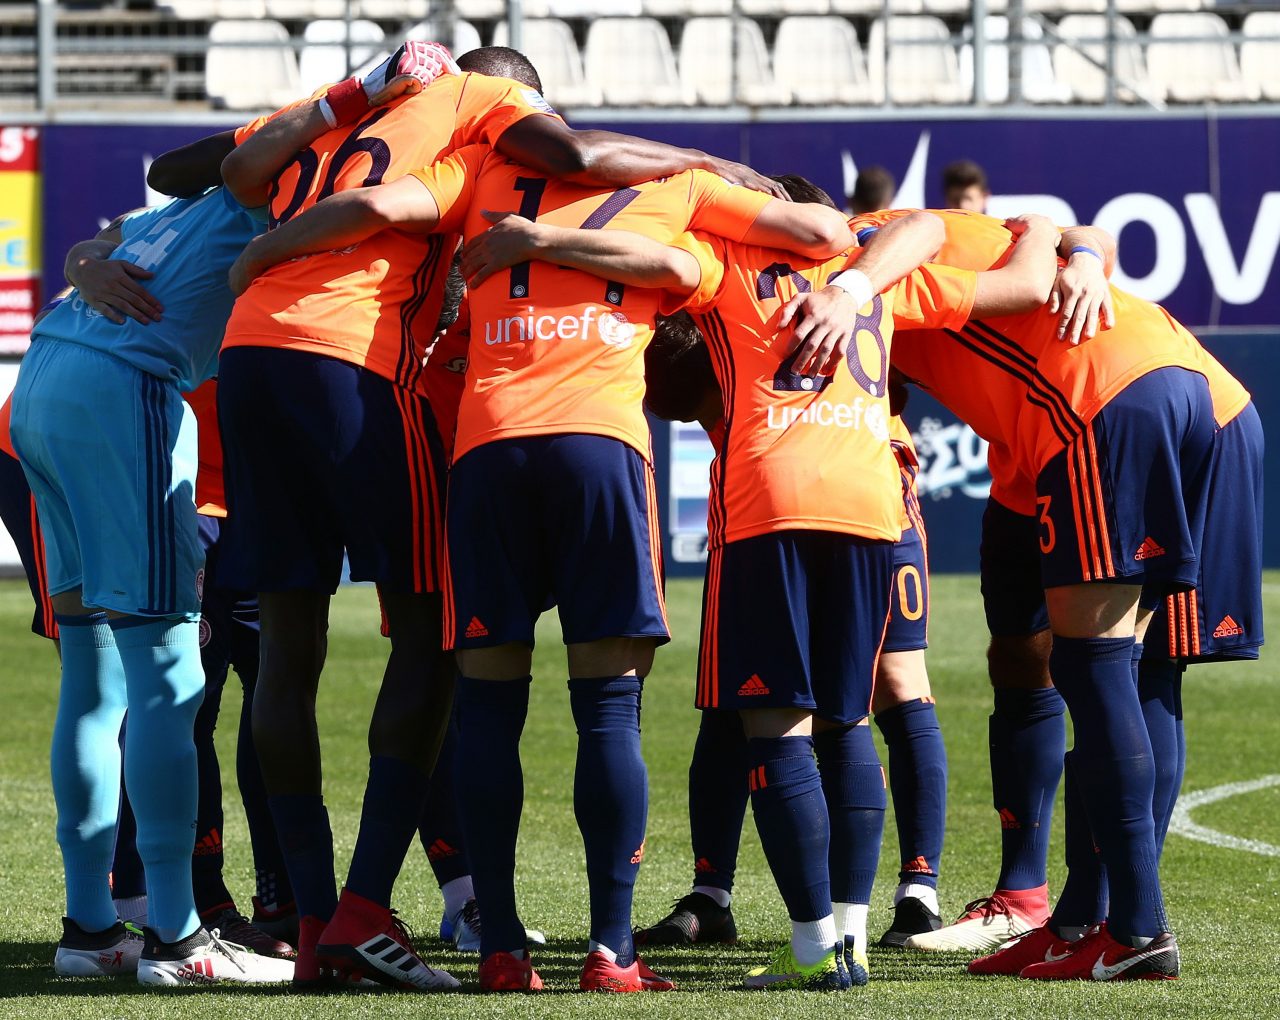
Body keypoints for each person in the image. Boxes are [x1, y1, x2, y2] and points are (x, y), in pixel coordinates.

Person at [206, 44, 805, 992]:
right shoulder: (588, 159)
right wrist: (716, 168)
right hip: (518, 419)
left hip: (362, 399)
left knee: (318, 653)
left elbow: (259, 179)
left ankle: (386, 930)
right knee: (551, 683)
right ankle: (584, 945)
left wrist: (262, 252)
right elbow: (748, 229)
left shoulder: (440, 158)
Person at [453, 177, 1062, 989]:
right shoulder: (876, 270)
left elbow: (658, 262)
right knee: (849, 720)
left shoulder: (729, 264)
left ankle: (812, 948)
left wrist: (540, 241)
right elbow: (991, 268)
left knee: (776, 729)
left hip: (772, 500)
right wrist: (1047, 234)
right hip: (873, 502)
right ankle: (852, 936)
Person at [881, 208, 1263, 979]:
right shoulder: (916, 240)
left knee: (1093, 666)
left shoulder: (856, 261)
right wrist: (1084, 255)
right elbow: (1061, 228)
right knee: (1147, 673)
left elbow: (1037, 260)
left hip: (1103, 400)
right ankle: (1085, 921)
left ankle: (1136, 932)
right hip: (1218, 405)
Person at [8, 186, 296, 986]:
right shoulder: (283, 210)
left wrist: (81, 261)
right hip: (122, 394)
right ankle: (177, 937)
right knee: (170, 675)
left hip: (41, 389)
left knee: (92, 676)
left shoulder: (166, 213)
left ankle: (91, 929)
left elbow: (95, 247)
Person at [632, 320, 949, 953]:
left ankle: (916, 893)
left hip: (870, 479)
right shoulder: (734, 307)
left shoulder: (851, 276)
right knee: (734, 687)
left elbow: (907, 345)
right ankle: (713, 894)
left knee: (891, 683)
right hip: (763, 491)